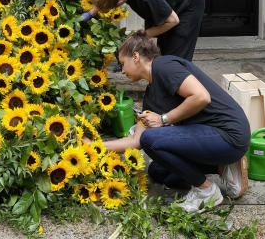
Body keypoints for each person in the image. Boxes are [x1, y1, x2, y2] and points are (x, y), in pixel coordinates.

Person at [102, 32, 249, 213]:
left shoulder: (164, 66)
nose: (122, 70)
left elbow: (201, 97)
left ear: (136, 56)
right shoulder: (151, 95)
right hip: (212, 138)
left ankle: (207, 190)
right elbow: (136, 141)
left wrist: (164, 119)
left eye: (122, 63)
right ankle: (222, 166)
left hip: (228, 134)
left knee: (151, 139)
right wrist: (95, 146)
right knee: (158, 171)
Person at [87, 0, 204, 61]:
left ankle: (178, 85)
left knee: (176, 58)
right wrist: (90, 13)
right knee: (163, 52)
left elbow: (173, 20)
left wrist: (140, 36)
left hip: (188, 2)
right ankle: (160, 85)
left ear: (120, 2)